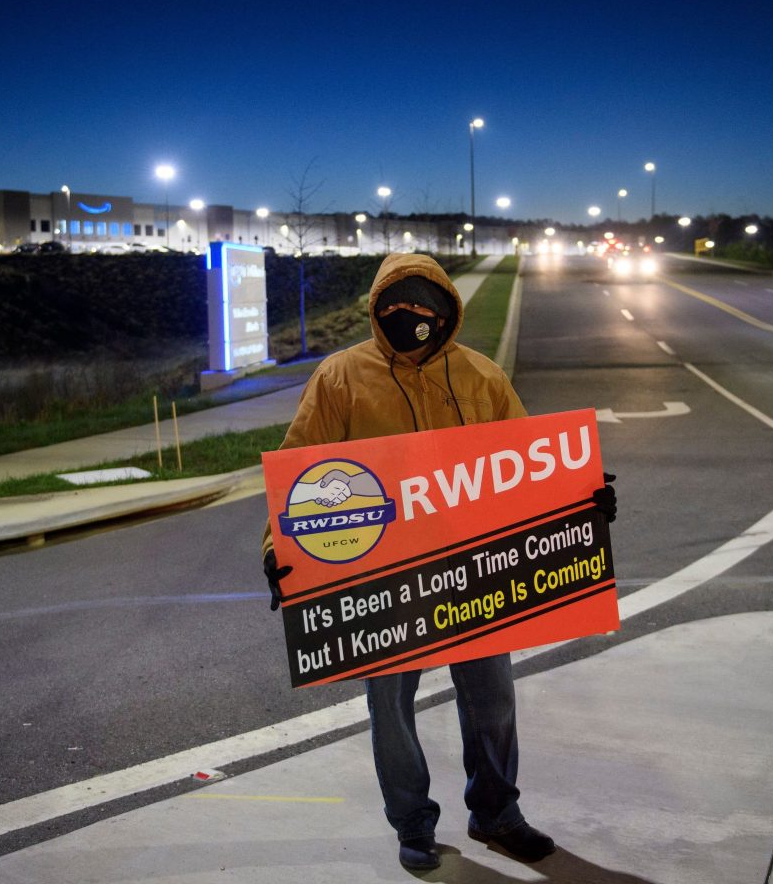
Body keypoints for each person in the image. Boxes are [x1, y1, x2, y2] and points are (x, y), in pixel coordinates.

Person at [261, 252, 616, 871]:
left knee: (492, 698)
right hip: (383, 580)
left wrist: (579, 504)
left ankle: (496, 812)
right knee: (390, 707)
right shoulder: (340, 378)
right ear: (376, 310)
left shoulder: (482, 378)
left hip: (474, 570)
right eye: (396, 307)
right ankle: (413, 822)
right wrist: (278, 549)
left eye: (425, 306)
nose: (411, 317)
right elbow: (303, 470)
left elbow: (527, 463)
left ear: (447, 310)